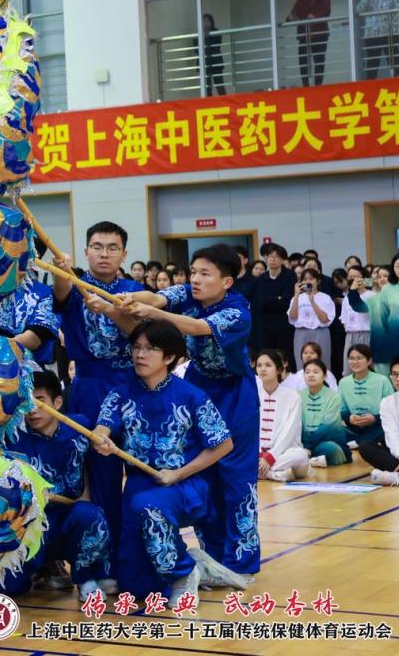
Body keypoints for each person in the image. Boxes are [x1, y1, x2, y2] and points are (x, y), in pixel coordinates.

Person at [114, 243, 260, 578]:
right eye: (193, 272)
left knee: (237, 481)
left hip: (234, 395)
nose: (195, 279)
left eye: (205, 274)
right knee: (201, 474)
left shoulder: (238, 311)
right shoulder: (189, 293)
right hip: (196, 388)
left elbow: (196, 327)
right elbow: (156, 299)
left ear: (226, 281)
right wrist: (131, 299)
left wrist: (154, 314)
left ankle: (242, 564)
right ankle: (213, 558)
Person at [93, 320, 233, 602]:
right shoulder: (120, 393)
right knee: (136, 588)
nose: (139, 354)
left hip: (184, 485)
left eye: (149, 349)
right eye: (136, 347)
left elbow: (224, 444)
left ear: (169, 357)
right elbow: (101, 429)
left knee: (149, 505)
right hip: (138, 485)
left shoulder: (191, 395)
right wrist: (102, 440)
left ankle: (183, 572)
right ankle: (194, 562)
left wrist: (178, 474)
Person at [50, 221, 144, 568]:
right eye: (98, 247)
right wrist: (62, 271)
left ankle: (135, 557)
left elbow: (141, 332)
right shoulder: (74, 285)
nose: (104, 254)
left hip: (131, 386)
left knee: (139, 474)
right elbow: (60, 295)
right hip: (88, 387)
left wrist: (111, 310)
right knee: (96, 473)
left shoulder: (133, 290)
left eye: (112, 248)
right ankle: (100, 561)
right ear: (86, 251)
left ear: (124, 254)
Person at [1, 371, 113, 602]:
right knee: (10, 588)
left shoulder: (79, 427)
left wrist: (86, 494)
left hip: (70, 514)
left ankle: (86, 578)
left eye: (40, 401)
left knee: (90, 515)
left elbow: (89, 465)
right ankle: (40, 569)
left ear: (58, 402)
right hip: (32, 523)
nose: (32, 410)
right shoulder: (15, 439)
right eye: (27, 403)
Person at [347, 252, 399, 372]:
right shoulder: (378, 296)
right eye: (379, 277)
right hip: (385, 348)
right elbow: (359, 306)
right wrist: (353, 291)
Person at [254, 350, 310, 483]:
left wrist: (271, 456)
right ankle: (273, 474)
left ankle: (258, 471)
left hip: (284, 452)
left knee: (301, 455)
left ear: (279, 369)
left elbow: (290, 432)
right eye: (259, 365)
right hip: (256, 454)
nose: (262, 369)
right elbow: (250, 430)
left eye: (268, 365)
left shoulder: (293, 396)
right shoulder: (252, 395)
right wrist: (259, 454)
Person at [362, 355, 399, 486]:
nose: (398, 378)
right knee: (365, 446)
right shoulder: (387, 402)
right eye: (394, 374)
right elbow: (391, 435)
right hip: (397, 454)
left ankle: (397, 477)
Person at [339, 343, 394, 448]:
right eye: (351, 358)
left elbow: (392, 409)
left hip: (377, 427)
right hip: (353, 429)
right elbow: (341, 410)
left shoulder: (382, 380)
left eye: (359, 358)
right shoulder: (343, 382)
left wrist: (374, 418)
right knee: (331, 429)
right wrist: (350, 417)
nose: (355, 362)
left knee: (389, 431)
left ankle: (357, 443)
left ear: (369, 361)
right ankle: (363, 442)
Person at [301, 359, 350, 467]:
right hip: (303, 441)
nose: (311, 375)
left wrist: (308, 447)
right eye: (307, 372)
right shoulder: (298, 396)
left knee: (332, 449)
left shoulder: (334, 396)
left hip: (325, 439)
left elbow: (328, 425)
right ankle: (310, 459)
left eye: (315, 372)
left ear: (325, 376)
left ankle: (308, 458)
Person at [253, 243, 296, 360]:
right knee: (267, 355)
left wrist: (272, 299)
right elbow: (260, 303)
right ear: (266, 258)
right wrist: (277, 298)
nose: (273, 259)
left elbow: (287, 301)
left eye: (276, 256)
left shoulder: (290, 276)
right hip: (266, 325)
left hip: (285, 324)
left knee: (285, 356)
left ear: (282, 260)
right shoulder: (261, 279)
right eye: (270, 256)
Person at [356, 0, 399, 79]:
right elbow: (358, 11)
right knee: (372, 62)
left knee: (394, 60)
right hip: (372, 34)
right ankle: (370, 85)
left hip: (389, 32)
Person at [286, 0, 331, 87]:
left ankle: (318, 85)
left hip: (319, 35)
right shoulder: (300, 2)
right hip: (304, 35)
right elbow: (291, 16)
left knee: (319, 61)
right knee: (303, 61)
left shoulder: (325, 0)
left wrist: (315, 17)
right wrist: (291, 18)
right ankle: (306, 86)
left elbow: (326, 12)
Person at [287, 268, 332, 365]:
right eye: (305, 279)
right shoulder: (297, 297)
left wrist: (312, 302)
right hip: (301, 332)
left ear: (318, 281)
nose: (308, 281)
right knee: (301, 362)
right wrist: (296, 296)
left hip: (320, 332)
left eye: (311, 279)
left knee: (322, 362)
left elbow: (324, 319)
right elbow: (293, 316)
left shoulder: (325, 298)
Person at [340, 266, 373, 376]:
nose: (353, 280)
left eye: (356, 277)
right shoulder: (346, 298)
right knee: (348, 369)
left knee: (368, 366)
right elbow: (344, 319)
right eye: (350, 277)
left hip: (367, 334)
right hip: (350, 335)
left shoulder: (372, 295)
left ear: (364, 278)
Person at [198, 13, 225, 95]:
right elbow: (196, 48)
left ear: (211, 22)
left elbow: (218, 42)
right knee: (207, 87)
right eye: (204, 21)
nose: (205, 23)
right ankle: (209, 102)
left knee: (219, 85)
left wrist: (208, 34)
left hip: (215, 62)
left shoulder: (215, 32)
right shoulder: (199, 33)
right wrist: (203, 36)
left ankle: (224, 101)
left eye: (207, 21)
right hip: (205, 64)